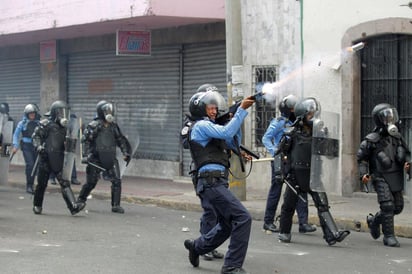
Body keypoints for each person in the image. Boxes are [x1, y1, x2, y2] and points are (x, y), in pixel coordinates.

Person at [183, 85, 256, 274]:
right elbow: (226, 133)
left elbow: (232, 141)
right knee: (243, 218)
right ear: (201, 109)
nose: (215, 111)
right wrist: (241, 111)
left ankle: (196, 247)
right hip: (210, 182)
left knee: (225, 225)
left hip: (216, 183)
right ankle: (231, 266)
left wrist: (234, 119)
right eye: (211, 108)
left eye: (216, 107)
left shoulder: (213, 127)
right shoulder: (201, 125)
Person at [277, 97, 350, 245]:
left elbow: (329, 156)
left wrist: (327, 139)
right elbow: (280, 153)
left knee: (322, 205)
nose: (314, 117)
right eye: (311, 115)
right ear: (302, 116)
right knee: (289, 205)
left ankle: (331, 235)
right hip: (295, 175)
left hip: (314, 175)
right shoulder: (292, 134)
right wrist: (280, 172)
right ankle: (284, 231)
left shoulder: (319, 134)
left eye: (315, 113)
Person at [181, 85, 225, 262]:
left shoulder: (214, 122)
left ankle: (210, 245)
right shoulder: (192, 124)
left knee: (220, 211)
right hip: (202, 172)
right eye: (210, 106)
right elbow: (186, 142)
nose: (214, 110)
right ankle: (202, 245)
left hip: (218, 170)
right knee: (210, 211)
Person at [357, 103, 410, 247]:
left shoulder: (397, 137)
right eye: (387, 117)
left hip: (395, 176)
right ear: (380, 120)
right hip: (380, 176)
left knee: (397, 207)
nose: (390, 120)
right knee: (387, 205)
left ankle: (374, 221)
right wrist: (363, 174)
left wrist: (408, 164)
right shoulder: (372, 140)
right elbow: (361, 158)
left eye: (392, 116)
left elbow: (407, 154)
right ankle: (389, 237)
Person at [261, 94, 316, 234]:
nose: (294, 111)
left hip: (294, 160)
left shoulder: (300, 123)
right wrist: (275, 152)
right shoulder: (279, 122)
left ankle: (303, 223)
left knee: (300, 188)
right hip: (281, 161)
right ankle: (268, 222)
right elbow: (266, 138)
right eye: (292, 109)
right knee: (276, 190)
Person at [77, 100, 132, 214]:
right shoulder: (94, 125)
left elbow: (120, 140)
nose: (109, 113)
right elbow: (86, 141)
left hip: (110, 157)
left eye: (111, 111)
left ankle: (116, 205)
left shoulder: (113, 126)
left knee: (117, 180)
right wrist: (86, 155)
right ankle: (81, 200)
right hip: (96, 158)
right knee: (91, 182)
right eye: (107, 111)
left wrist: (125, 152)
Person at [32, 100, 85, 215]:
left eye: (65, 112)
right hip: (46, 158)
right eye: (61, 112)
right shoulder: (45, 124)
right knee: (42, 184)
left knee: (65, 183)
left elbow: (70, 141)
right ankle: (37, 205)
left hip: (58, 159)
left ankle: (73, 206)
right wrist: (39, 146)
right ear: (55, 113)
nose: (63, 115)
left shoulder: (65, 127)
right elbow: (36, 137)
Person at [12, 104, 40, 193]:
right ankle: (29, 185)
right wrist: (15, 145)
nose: (32, 115)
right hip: (26, 146)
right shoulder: (22, 123)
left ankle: (35, 184)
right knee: (30, 164)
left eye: (33, 114)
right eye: (30, 114)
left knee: (36, 166)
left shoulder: (39, 123)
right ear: (27, 114)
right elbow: (16, 135)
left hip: (36, 146)